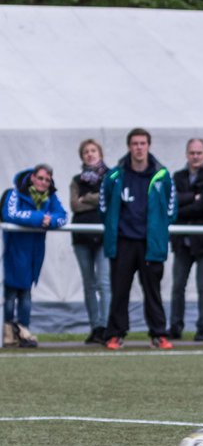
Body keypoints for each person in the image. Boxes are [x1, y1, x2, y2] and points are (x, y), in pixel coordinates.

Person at [100, 128, 177, 350]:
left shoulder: (162, 175)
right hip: (123, 242)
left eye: (143, 143)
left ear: (149, 146)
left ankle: (158, 334)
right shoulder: (115, 175)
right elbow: (104, 206)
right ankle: (115, 334)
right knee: (120, 290)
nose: (139, 148)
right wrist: (115, 227)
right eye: (135, 143)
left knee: (153, 291)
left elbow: (171, 209)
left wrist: (158, 229)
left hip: (150, 244)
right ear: (129, 147)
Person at [2, 164, 68, 348]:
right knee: (9, 293)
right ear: (32, 177)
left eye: (47, 180)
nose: (43, 182)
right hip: (13, 250)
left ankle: (23, 329)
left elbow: (62, 216)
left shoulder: (51, 197)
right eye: (40, 178)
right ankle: (7, 329)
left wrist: (51, 220)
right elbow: (10, 214)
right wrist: (40, 218)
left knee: (26, 293)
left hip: (34, 253)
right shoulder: (14, 193)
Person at [168, 138, 203, 341]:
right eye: (192, 153)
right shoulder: (177, 176)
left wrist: (185, 202)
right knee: (178, 285)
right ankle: (175, 326)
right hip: (182, 241)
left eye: (199, 153)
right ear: (186, 154)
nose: (195, 157)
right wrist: (192, 197)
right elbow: (172, 203)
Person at [68, 139, 110, 344]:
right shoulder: (77, 179)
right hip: (81, 236)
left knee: (103, 281)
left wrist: (88, 198)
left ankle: (105, 325)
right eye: (86, 152)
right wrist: (93, 199)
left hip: (103, 236)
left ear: (100, 153)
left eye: (93, 150)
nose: (90, 154)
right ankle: (95, 326)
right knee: (88, 283)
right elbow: (75, 205)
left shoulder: (110, 176)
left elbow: (107, 200)